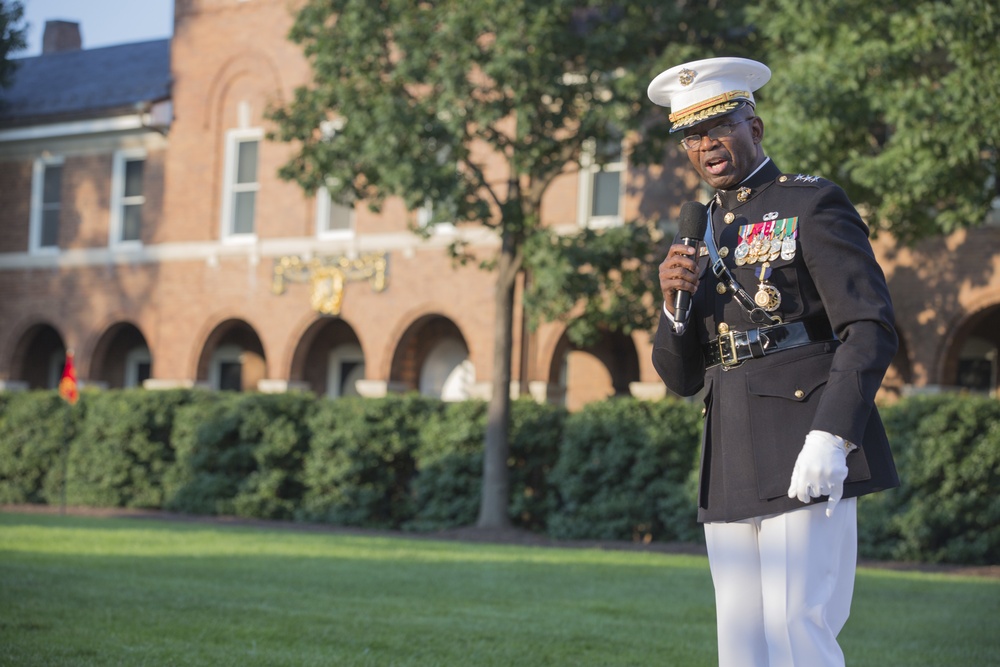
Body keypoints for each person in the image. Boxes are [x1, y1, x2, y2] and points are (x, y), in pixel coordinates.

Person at [647, 57, 899, 667]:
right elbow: (682, 379)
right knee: (740, 640)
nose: (706, 144)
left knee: (797, 626)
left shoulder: (811, 205)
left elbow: (869, 326)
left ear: (753, 128)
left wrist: (832, 434)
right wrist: (673, 308)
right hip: (729, 442)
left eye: (719, 125)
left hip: (801, 432)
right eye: (691, 135)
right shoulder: (699, 229)